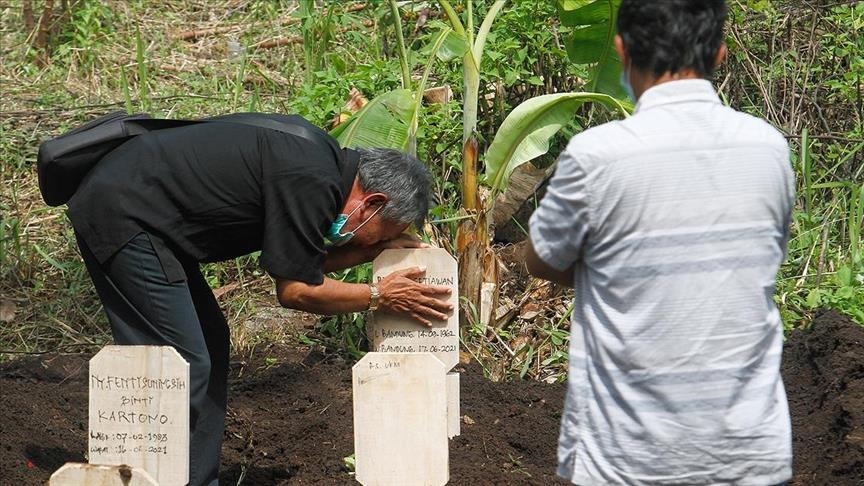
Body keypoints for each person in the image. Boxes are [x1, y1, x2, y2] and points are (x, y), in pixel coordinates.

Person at [66, 112, 453, 486]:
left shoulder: (320, 164)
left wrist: (369, 253)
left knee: (210, 344)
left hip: (151, 222)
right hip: (125, 212)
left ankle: (197, 479)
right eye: (386, 234)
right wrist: (378, 295)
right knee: (179, 362)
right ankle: (142, 476)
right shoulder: (311, 180)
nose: (384, 242)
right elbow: (296, 290)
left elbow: (298, 263)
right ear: (372, 203)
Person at [526, 1, 794, 484]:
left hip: (628, 457)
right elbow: (760, 259)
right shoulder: (770, 148)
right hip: (750, 452)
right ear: (720, 53)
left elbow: (542, 261)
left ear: (622, 49)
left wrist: (609, 268)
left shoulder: (597, 155)